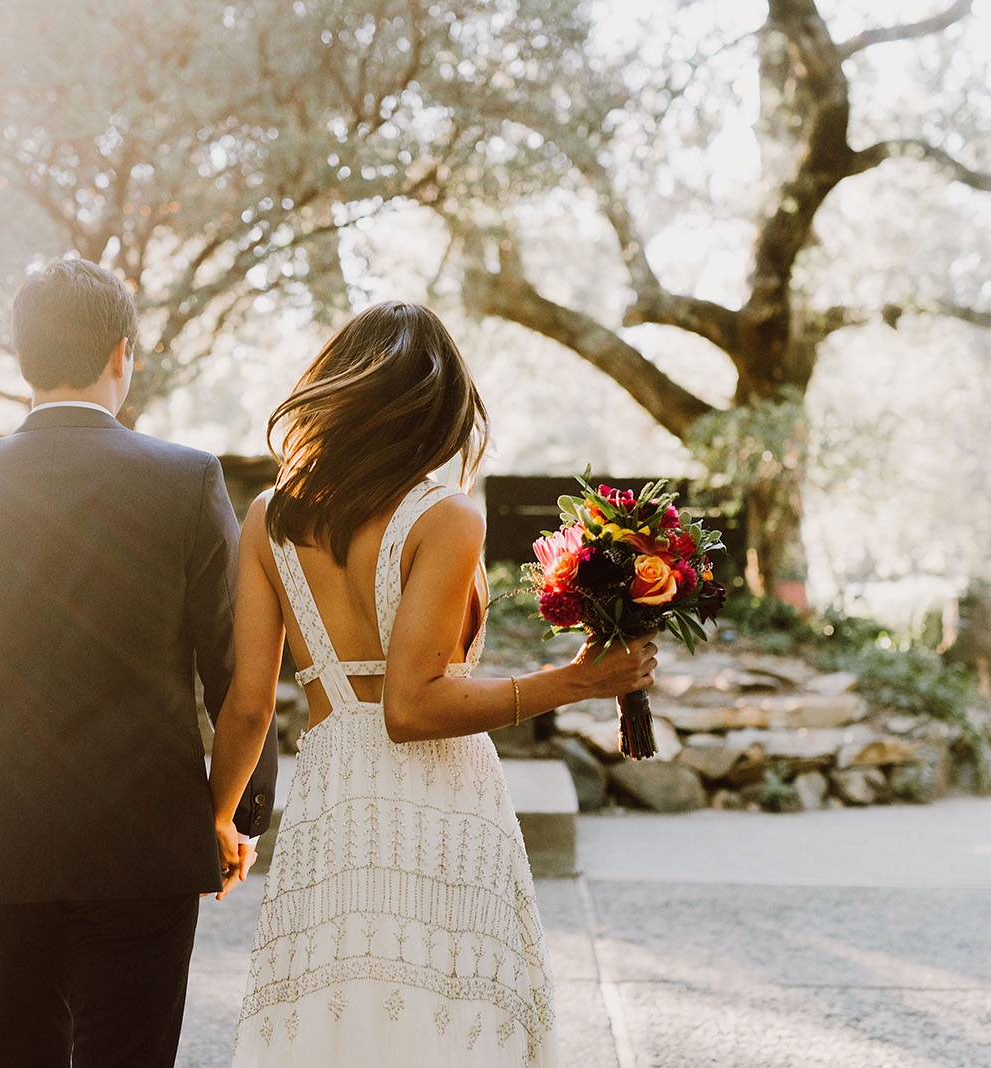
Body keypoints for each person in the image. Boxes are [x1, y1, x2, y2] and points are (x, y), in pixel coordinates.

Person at [205, 301, 656, 1067]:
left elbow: (248, 703)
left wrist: (217, 819)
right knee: (447, 1024)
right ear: (441, 409)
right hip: (442, 805)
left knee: (335, 1021)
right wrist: (579, 682)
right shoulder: (447, 517)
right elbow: (412, 708)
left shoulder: (270, 516)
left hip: (333, 803)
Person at [0, 257, 278, 1068]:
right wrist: (237, 811)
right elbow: (236, 666)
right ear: (121, 356)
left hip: (5, 835)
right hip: (148, 840)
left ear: (23, 361)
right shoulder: (185, 480)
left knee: (23, 1046)